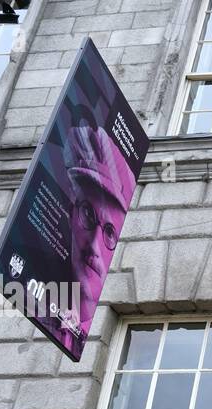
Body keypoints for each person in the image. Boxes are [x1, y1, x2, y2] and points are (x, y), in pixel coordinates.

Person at [57, 106, 135, 354]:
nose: (93, 245)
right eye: (88, 214)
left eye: (110, 232)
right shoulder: (32, 300)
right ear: (71, 212)